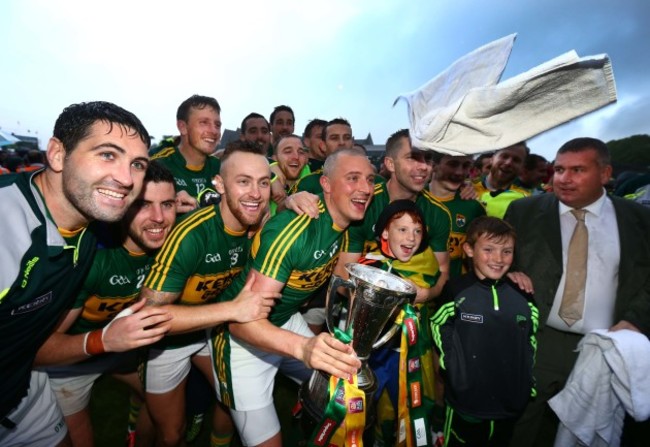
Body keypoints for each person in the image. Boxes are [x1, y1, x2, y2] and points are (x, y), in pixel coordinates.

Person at [0, 101, 151, 447]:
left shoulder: (91, 226)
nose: (127, 179)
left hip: (25, 391)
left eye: (137, 164)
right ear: (56, 154)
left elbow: (39, 340)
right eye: (107, 155)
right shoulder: (7, 226)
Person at [212, 147, 374, 447]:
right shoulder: (294, 230)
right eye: (353, 178)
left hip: (284, 321)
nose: (365, 188)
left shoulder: (349, 223)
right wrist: (304, 347)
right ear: (325, 184)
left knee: (343, 394)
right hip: (243, 339)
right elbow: (240, 321)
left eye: (370, 179)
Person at [503, 137, 650, 447]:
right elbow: (496, 263)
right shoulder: (524, 211)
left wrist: (636, 320)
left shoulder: (638, 220)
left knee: (588, 433)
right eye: (558, 169)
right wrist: (505, 273)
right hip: (536, 341)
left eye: (577, 170)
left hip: (603, 348)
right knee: (521, 428)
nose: (563, 179)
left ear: (606, 173)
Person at [139, 145, 279, 447]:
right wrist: (231, 310)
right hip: (166, 343)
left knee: (233, 396)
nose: (256, 193)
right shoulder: (192, 234)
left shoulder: (258, 226)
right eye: (243, 181)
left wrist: (295, 198)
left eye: (263, 182)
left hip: (210, 332)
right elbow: (147, 318)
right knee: (171, 432)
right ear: (220, 184)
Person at [34, 160, 176, 447]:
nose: (159, 217)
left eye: (168, 204)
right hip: (70, 361)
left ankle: (133, 432)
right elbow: (40, 349)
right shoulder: (94, 258)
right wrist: (103, 341)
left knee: (163, 409)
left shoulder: (173, 245)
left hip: (121, 350)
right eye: (143, 204)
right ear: (122, 204)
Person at [430, 216, 538, 447]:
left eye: (506, 251)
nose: (498, 259)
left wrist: (526, 381)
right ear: (469, 249)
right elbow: (438, 326)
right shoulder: (456, 291)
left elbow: (531, 341)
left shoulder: (523, 296)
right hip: (466, 402)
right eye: (488, 249)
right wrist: (455, 369)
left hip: (509, 405)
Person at [336, 129, 452, 302]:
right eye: (412, 157)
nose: (423, 166)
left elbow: (442, 270)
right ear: (390, 164)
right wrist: (377, 302)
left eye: (428, 159)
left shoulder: (438, 214)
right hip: (361, 304)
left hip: (414, 311)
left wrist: (427, 294)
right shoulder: (363, 203)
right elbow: (342, 274)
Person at [358, 199, 438, 446]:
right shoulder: (368, 264)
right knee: (363, 410)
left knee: (411, 406)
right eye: (402, 229)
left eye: (417, 231)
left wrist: (426, 293)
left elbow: (436, 289)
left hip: (410, 354)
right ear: (384, 231)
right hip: (374, 355)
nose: (411, 238)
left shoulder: (427, 262)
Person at [152, 94, 222, 211]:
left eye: (217, 125)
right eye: (204, 122)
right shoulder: (158, 164)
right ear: (183, 127)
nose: (214, 131)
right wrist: (168, 208)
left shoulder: (221, 168)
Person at [429, 151, 486, 278]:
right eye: (453, 164)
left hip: (454, 290)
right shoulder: (413, 198)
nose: (459, 172)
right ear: (434, 165)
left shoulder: (473, 207)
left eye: (466, 166)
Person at [290, 117, 354, 195]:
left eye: (347, 138)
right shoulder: (307, 184)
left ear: (353, 143)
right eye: (334, 138)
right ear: (323, 146)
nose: (341, 142)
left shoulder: (370, 180)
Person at [472, 142, 530, 218]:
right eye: (504, 156)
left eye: (516, 160)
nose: (508, 163)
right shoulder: (466, 189)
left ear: (522, 167)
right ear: (492, 159)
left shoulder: (525, 200)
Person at [268, 134, 309, 215]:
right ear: (275, 159)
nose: (296, 156)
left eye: (301, 152)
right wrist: (271, 175)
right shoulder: (263, 185)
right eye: (288, 152)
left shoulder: (315, 179)